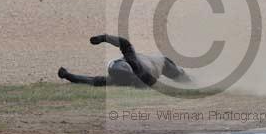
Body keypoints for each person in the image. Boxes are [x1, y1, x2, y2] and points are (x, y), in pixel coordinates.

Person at [58, 34, 191, 87]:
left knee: (183, 78)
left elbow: (91, 80)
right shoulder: (129, 65)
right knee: (183, 79)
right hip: (160, 64)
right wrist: (68, 75)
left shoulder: (125, 69)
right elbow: (125, 43)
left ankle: (193, 81)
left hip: (163, 63)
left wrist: (68, 76)